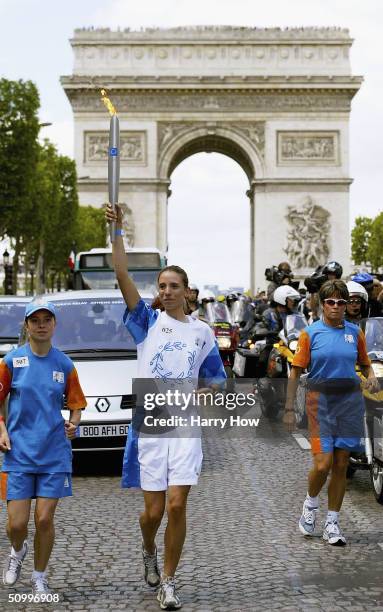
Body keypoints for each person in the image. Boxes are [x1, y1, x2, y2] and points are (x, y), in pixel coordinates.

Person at [106, 204, 225, 610]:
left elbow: (216, 379)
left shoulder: (203, 332)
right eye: (163, 285)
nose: (168, 291)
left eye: (175, 286)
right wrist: (118, 229)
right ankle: (147, 548)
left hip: (185, 427)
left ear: (188, 292)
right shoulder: (146, 321)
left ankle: (169, 582)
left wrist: (206, 395)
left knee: (177, 504)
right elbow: (121, 274)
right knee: (152, 513)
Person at [0, 298, 86, 594]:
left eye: (46, 320)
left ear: (54, 325)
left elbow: (76, 405)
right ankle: (17, 551)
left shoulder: (64, 364)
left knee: (44, 518)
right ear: (26, 325)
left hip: (54, 453)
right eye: (34, 320)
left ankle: (39, 577)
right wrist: (2, 429)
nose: (40, 325)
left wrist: (74, 423)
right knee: (17, 525)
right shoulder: (11, 361)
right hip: (18, 453)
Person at [283, 280, 379, 545]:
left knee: (340, 464)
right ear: (323, 305)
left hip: (349, 403)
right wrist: (289, 408)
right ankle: (310, 505)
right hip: (320, 403)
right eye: (330, 302)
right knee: (323, 464)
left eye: (341, 302)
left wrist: (370, 376)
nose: (336, 307)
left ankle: (332, 524)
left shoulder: (355, 333)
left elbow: (365, 364)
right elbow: (295, 371)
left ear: (347, 305)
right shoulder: (310, 334)